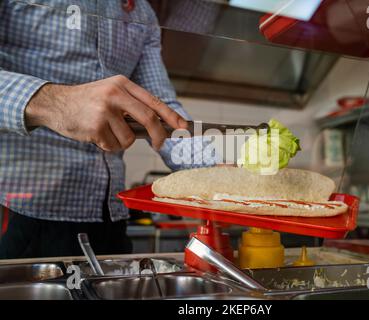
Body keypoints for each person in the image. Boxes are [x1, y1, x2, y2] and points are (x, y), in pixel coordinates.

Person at [0, 0, 215, 259]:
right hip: (17, 214)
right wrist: (55, 102)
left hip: (109, 220)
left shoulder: (142, 13)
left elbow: (161, 109)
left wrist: (215, 172)